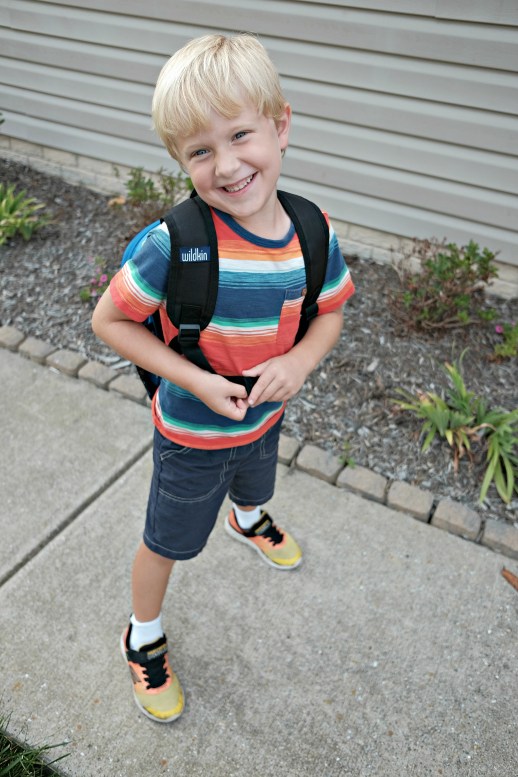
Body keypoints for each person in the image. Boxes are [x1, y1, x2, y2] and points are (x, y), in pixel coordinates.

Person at [92, 32, 354, 723]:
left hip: (265, 417)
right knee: (168, 539)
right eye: (201, 151)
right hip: (192, 432)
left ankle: (247, 517)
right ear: (180, 160)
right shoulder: (173, 243)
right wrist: (197, 381)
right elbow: (109, 323)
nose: (229, 165)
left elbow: (330, 313)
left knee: (255, 482)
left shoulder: (311, 230)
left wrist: (298, 361)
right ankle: (141, 633)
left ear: (282, 125)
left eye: (241, 134)